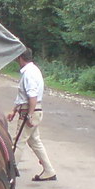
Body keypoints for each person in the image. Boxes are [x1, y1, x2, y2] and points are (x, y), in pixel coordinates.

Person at [7, 48, 57, 182]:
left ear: (20, 58)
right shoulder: (33, 70)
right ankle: (49, 170)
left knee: (18, 142)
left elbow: (32, 96)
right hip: (34, 110)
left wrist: (29, 115)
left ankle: (9, 173)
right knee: (35, 141)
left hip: (30, 111)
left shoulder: (28, 73)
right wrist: (14, 110)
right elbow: (23, 96)